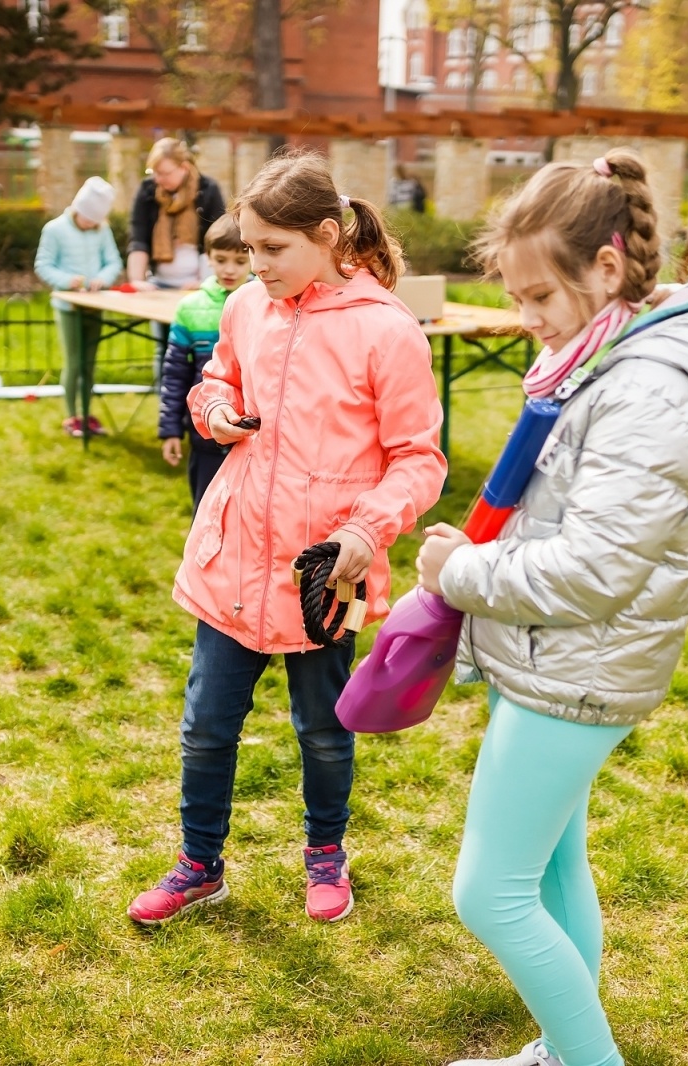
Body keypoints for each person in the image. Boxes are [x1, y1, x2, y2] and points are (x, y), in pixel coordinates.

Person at [415, 151, 688, 1066]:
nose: (525, 320)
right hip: (551, 655)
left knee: (489, 892)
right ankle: (559, 1050)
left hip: (579, 662)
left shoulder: (647, 389)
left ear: (606, 269)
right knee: (552, 868)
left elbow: (592, 572)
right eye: (518, 297)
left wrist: (460, 574)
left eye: (539, 298)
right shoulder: (600, 359)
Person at [127, 150, 447, 927]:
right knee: (206, 726)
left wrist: (365, 531)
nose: (255, 263)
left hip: (322, 573)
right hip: (232, 559)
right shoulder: (244, 309)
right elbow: (217, 379)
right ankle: (199, 865)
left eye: (273, 248)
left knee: (325, 731)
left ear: (328, 236)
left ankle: (326, 855)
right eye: (249, 246)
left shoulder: (388, 332)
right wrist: (213, 414)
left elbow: (419, 459)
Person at [158, 215, 250, 509]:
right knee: (205, 512)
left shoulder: (267, 302)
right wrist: (170, 429)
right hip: (205, 434)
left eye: (239, 260)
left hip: (252, 434)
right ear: (207, 257)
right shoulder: (189, 309)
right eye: (221, 259)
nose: (229, 269)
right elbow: (174, 373)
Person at [35, 176, 123, 438]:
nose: (90, 224)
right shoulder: (54, 229)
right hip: (68, 306)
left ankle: (86, 413)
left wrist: (102, 279)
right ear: (77, 209)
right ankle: (72, 415)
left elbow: (113, 262)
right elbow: (43, 265)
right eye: (87, 219)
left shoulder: (102, 230)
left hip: (94, 305)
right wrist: (66, 281)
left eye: (95, 221)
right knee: (74, 362)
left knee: (89, 364)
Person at [126, 138, 227, 293]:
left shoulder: (208, 190)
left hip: (197, 284)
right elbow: (138, 238)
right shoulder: (148, 190)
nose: (158, 179)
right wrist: (137, 282)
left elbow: (217, 240)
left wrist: (206, 282)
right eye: (154, 173)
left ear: (184, 168)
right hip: (157, 283)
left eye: (164, 173)